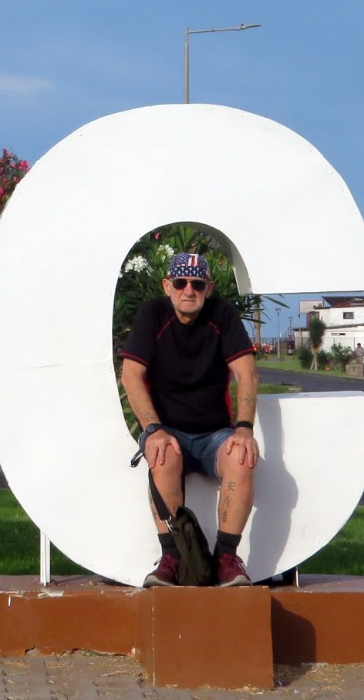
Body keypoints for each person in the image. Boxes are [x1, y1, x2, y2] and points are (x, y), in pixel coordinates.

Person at [120, 251, 257, 587]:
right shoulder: (153, 315)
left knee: (241, 455)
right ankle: (173, 557)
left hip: (214, 434)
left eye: (197, 284)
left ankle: (226, 558)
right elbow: (131, 376)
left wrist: (243, 429)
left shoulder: (222, 315)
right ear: (168, 285)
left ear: (208, 288)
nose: (188, 291)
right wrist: (153, 430)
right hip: (169, 432)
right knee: (162, 453)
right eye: (180, 283)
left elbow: (247, 374)